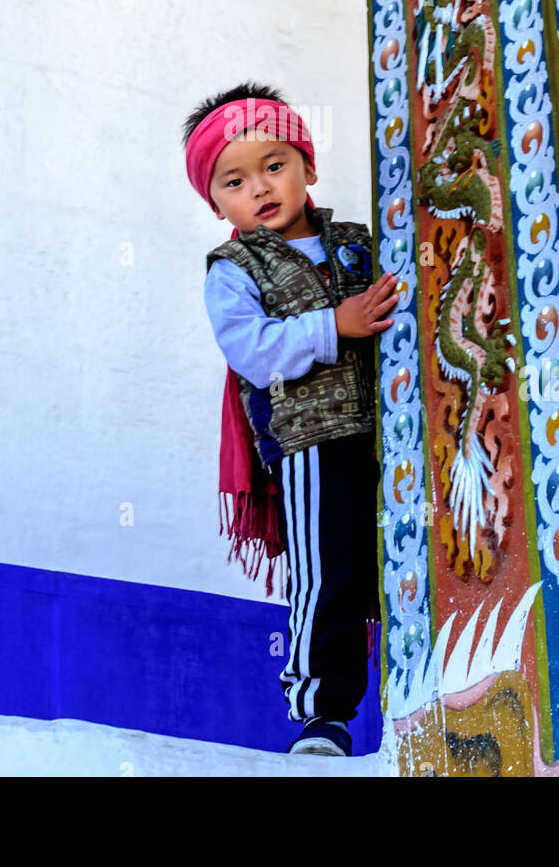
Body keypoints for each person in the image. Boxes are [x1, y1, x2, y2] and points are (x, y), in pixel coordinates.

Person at [182, 81, 398, 756]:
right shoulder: (232, 269)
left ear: (307, 165)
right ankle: (321, 714)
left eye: (275, 165)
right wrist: (336, 323)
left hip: (389, 435)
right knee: (325, 566)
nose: (261, 187)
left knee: (393, 561)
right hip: (311, 442)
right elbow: (251, 350)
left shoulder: (361, 245)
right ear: (215, 202)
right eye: (235, 180)